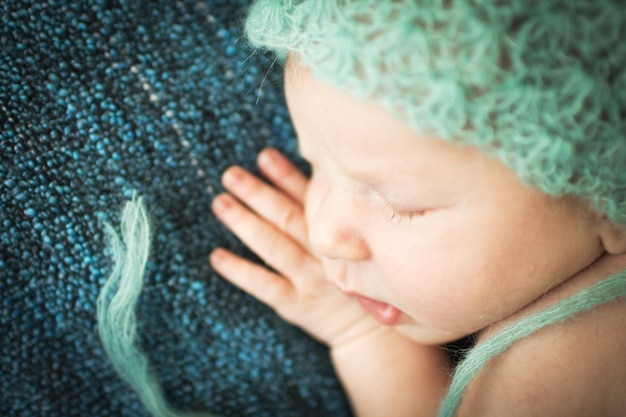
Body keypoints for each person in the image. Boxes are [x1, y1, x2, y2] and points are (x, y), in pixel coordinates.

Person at [209, 1, 626, 416]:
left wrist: (361, 338)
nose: (323, 234)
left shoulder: (565, 372)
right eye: (314, 166)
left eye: (400, 204)